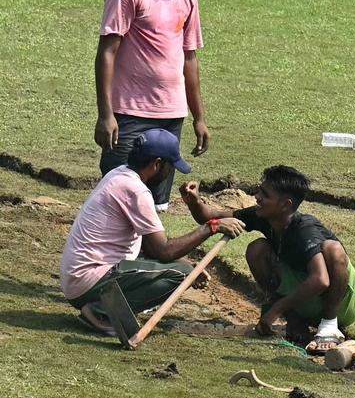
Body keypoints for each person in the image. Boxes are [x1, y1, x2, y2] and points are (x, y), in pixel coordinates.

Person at [61, 128, 246, 334]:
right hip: (90, 281)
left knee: (184, 269)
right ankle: (100, 312)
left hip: (80, 280)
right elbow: (163, 250)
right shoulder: (135, 190)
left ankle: (102, 308)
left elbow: (151, 247)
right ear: (157, 164)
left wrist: (188, 264)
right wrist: (212, 227)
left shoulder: (120, 173)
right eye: (170, 167)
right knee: (181, 275)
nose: (170, 173)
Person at [95, 0, 213, 211]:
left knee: (155, 206)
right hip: (129, 115)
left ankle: (146, 259)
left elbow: (190, 57)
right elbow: (107, 51)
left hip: (171, 116)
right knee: (117, 200)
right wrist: (106, 115)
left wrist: (198, 117)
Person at [181, 165, 355, 352]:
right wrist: (194, 202)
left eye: (265, 195)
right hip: (307, 301)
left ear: (285, 205)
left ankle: (329, 327)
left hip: (341, 306)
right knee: (257, 249)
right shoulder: (263, 216)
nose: (257, 197)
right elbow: (212, 217)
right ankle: (295, 321)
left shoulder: (305, 229)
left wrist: (275, 310)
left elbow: (320, 280)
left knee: (333, 249)